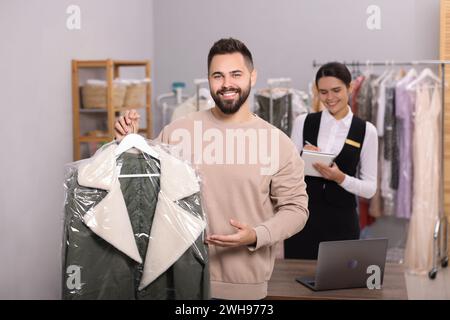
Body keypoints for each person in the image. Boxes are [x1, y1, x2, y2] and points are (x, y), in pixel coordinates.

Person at [114, 38, 309, 299]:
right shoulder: (178, 132)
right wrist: (128, 142)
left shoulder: (278, 144)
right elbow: (143, 182)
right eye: (218, 75)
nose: (227, 83)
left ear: (253, 76)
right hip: (178, 284)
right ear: (208, 79)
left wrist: (256, 235)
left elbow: (296, 209)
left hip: (243, 291)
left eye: (236, 74)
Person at [285, 62, 378, 259]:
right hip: (303, 220)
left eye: (336, 90)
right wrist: (303, 158)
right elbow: (288, 174)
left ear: (350, 88)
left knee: (339, 287)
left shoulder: (366, 130)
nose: (330, 98)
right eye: (323, 92)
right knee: (293, 286)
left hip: (342, 224)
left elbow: (370, 189)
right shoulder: (303, 122)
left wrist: (341, 178)